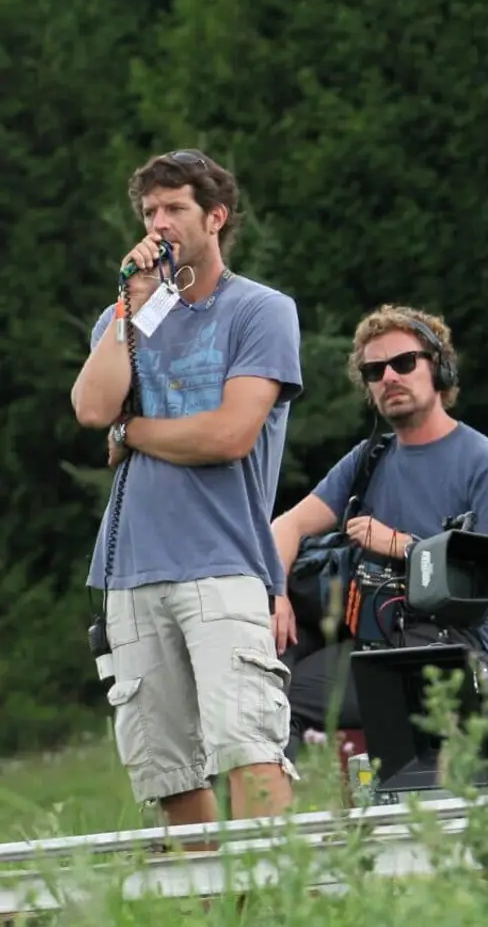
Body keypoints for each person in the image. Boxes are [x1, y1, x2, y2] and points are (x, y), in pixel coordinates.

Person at [69, 150, 302, 824]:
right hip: (131, 571)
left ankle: (279, 904)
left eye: (175, 208)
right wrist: (130, 307)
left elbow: (230, 435)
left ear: (216, 217)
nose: (159, 223)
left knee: (247, 745)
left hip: (223, 561)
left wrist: (133, 433)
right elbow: (90, 407)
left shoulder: (259, 311)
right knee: (166, 768)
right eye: (149, 212)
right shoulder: (129, 316)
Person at [269, 306, 488, 742]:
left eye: (403, 363)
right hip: (368, 633)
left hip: (450, 645)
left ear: (439, 367)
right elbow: (285, 528)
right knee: (262, 666)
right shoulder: (370, 457)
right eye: (374, 370)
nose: (389, 378)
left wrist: (403, 545)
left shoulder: (486, 463)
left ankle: (284, 808)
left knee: (278, 697)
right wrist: (276, 596)